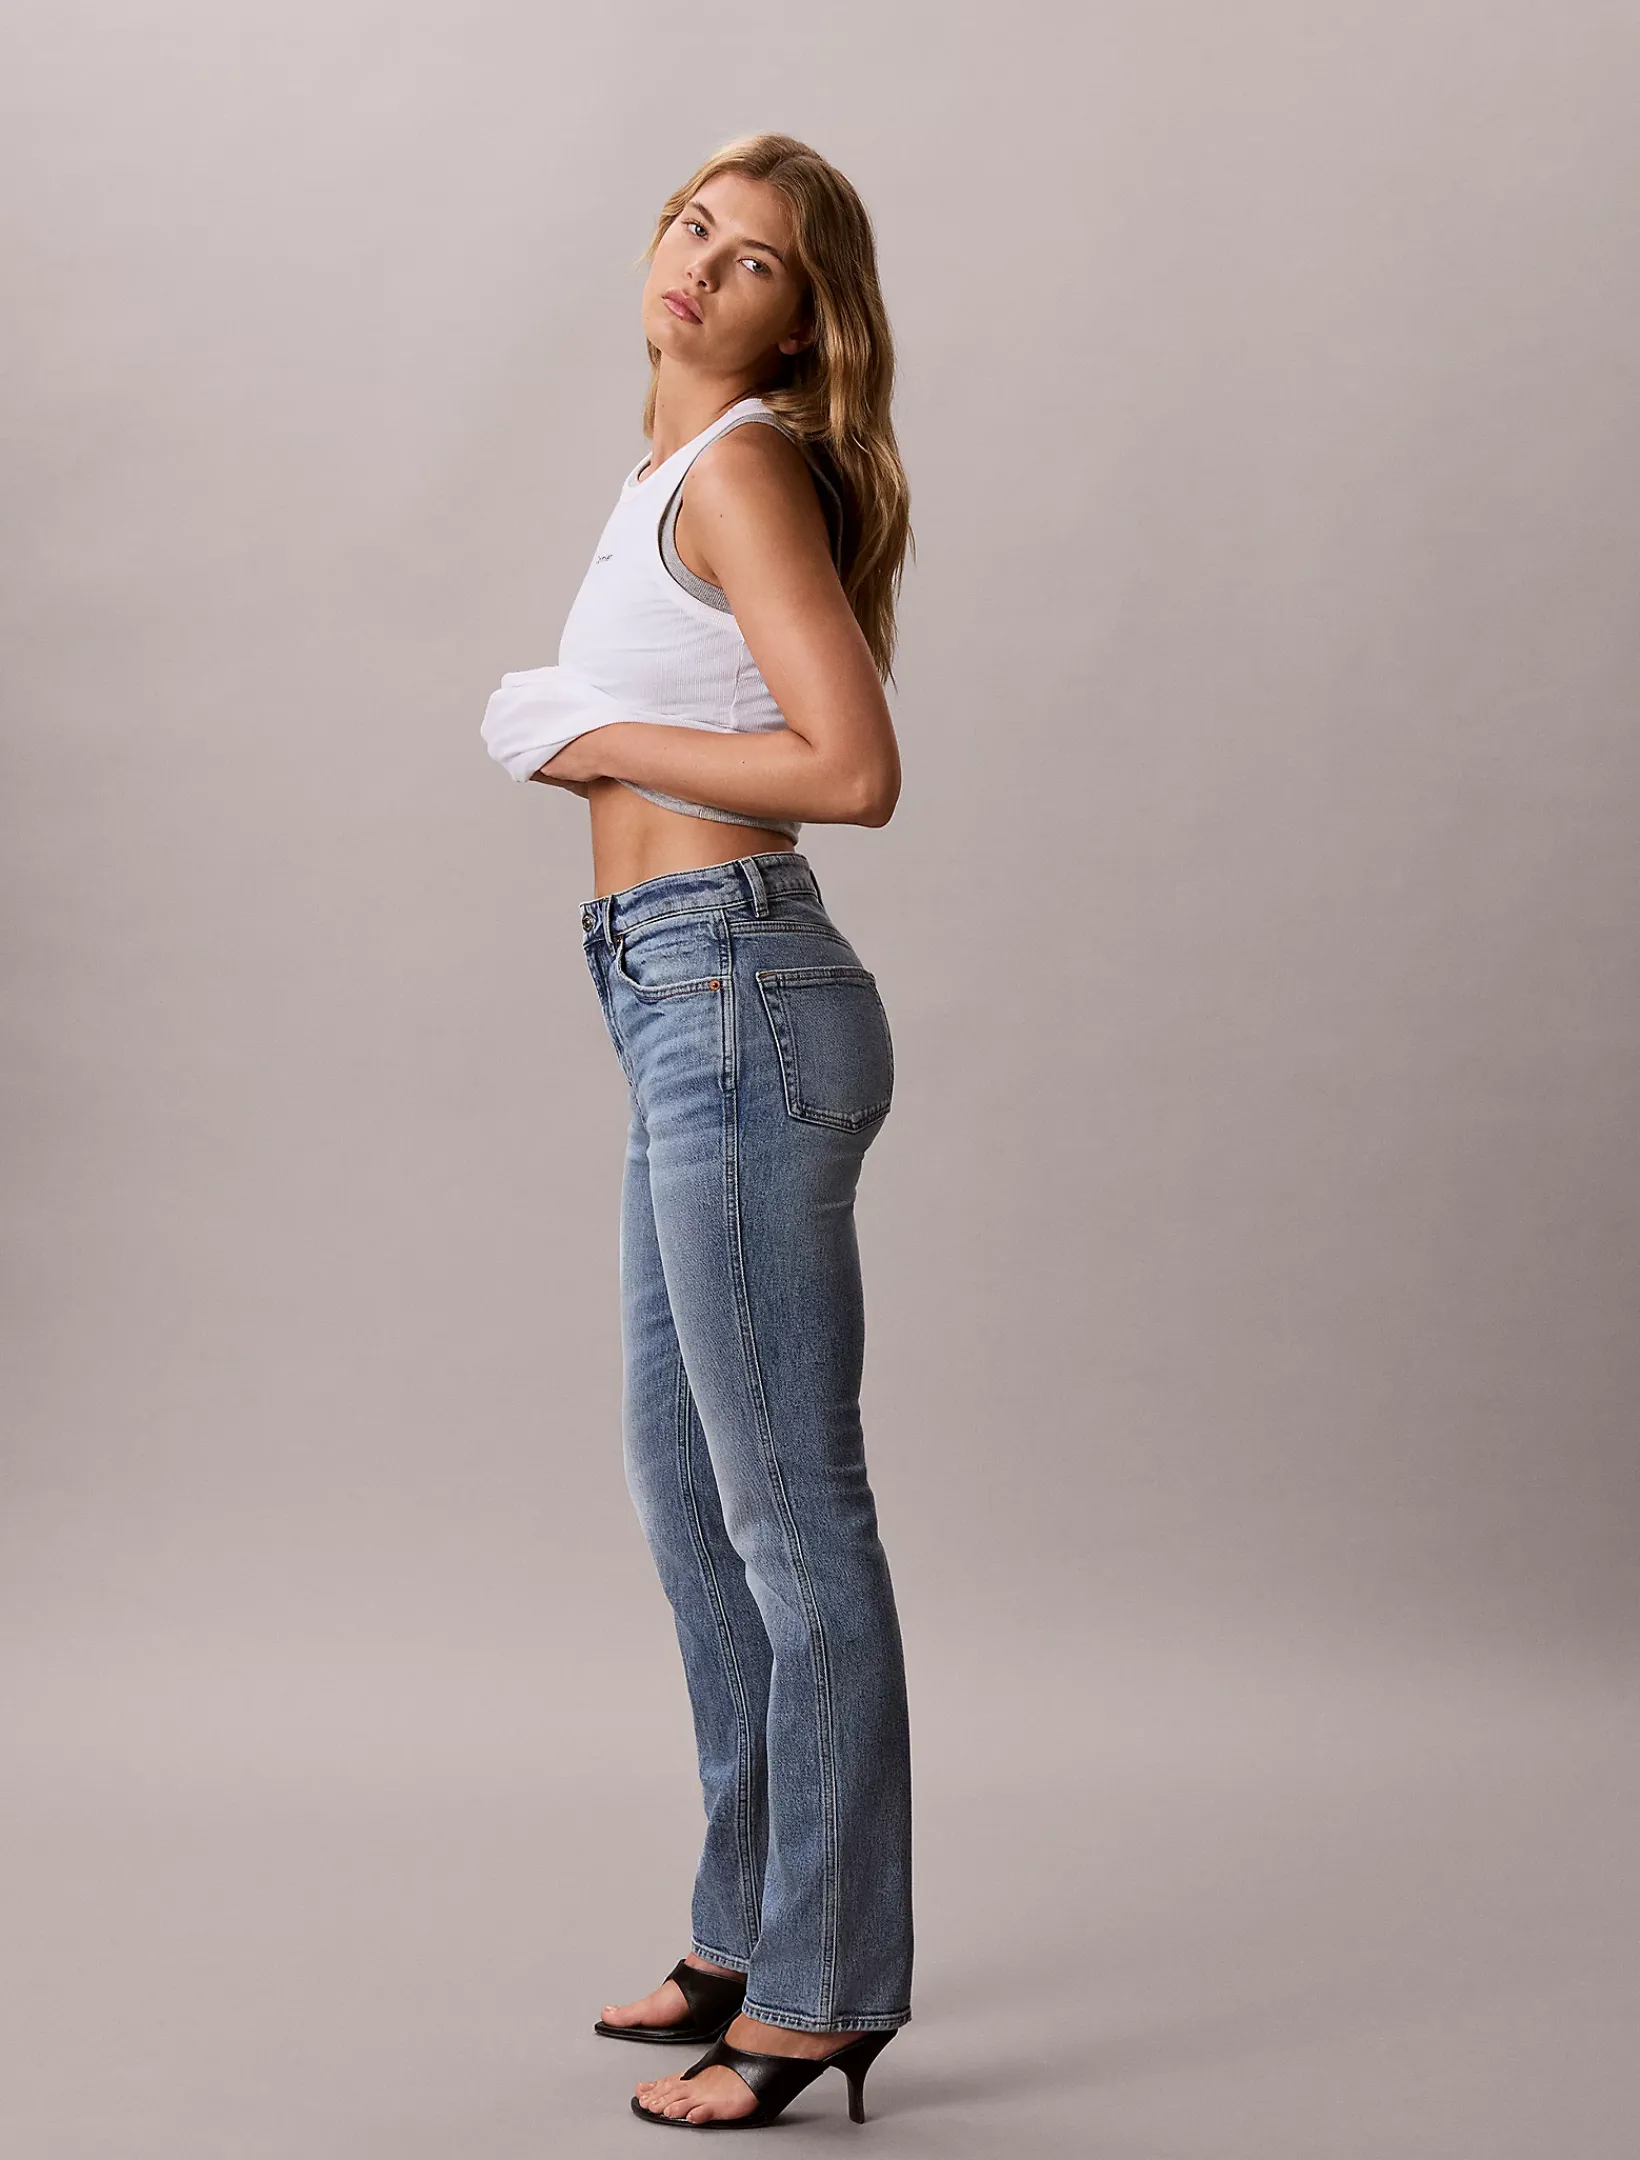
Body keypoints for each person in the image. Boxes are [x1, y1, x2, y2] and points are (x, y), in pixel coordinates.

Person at [479, 135, 914, 2129]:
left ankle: (821, 1994)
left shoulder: (741, 468)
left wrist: (583, 734)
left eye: (750, 262)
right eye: (691, 227)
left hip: (738, 991)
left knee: (789, 1521)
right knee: (691, 1506)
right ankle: (745, 1925)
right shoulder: (662, 476)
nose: (699, 266)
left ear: (799, 323)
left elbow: (851, 766)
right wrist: (588, 738)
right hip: (675, 995)